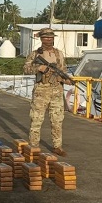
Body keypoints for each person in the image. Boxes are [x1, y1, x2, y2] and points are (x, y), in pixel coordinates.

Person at [23, 27, 71, 157]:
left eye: (51, 37)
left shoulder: (59, 54)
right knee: (36, 119)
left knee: (57, 120)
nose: (49, 40)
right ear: (41, 39)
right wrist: (39, 67)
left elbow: (63, 70)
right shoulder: (35, 54)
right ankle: (34, 146)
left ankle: (57, 146)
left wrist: (65, 79)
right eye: (46, 37)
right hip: (41, 90)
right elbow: (26, 69)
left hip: (56, 90)